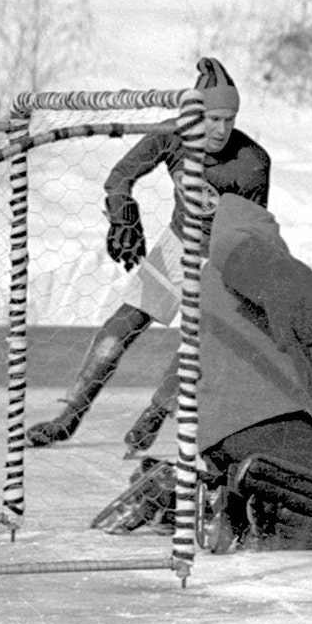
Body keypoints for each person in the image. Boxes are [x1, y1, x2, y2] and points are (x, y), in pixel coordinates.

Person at [95, 194, 312, 552]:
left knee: (294, 511)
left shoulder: (212, 281)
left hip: (222, 438)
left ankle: (191, 499)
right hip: (267, 422)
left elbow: (189, 354)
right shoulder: (243, 242)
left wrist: (155, 411)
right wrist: (307, 292)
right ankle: (209, 499)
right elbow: (249, 260)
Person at [26, 58, 271, 453]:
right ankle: (68, 415)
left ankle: (155, 414)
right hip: (178, 244)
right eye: (213, 118)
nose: (221, 129)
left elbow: (252, 230)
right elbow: (120, 175)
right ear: (194, 116)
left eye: (229, 119)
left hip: (225, 256)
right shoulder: (172, 136)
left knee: (202, 341)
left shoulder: (252, 163)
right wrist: (123, 212)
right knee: (118, 327)